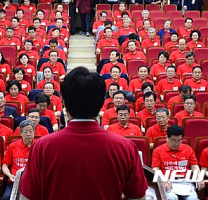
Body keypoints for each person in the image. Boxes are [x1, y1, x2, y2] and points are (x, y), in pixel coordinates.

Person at [20, 66, 148, 199]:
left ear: (65, 105)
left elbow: (27, 197)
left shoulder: (42, 147)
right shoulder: (125, 147)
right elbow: (137, 197)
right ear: (100, 105)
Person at [152, 125, 204, 200]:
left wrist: (199, 177)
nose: (176, 143)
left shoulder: (188, 149)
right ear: (167, 138)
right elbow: (155, 168)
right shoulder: (158, 151)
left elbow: (194, 166)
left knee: (193, 198)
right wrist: (163, 179)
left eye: (179, 140)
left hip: (185, 182)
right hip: (168, 181)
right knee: (171, 198)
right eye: (173, 140)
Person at [2, 120, 35, 200]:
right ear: (20, 133)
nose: (28, 134)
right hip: (15, 181)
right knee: (6, 198)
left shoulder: (39, 146)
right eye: (25, 132)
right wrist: (9, 175)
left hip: (33, 182)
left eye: (30, 131)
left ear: (34, 132)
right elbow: (5, 165)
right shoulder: (13, 146)